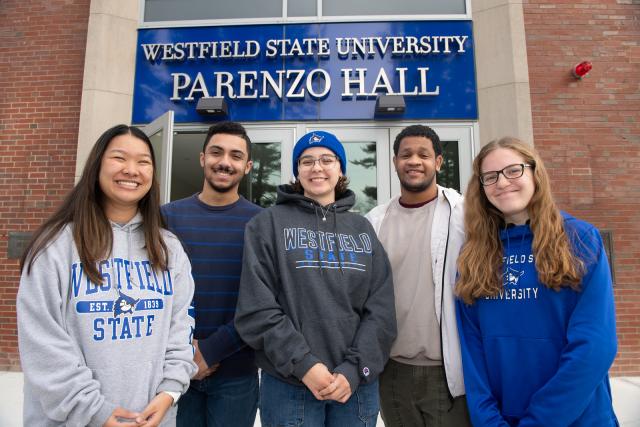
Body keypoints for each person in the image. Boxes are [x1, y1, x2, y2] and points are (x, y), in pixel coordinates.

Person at [17, 124, 196, 427]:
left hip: (151, 419)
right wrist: (94, 410)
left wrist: (169, 392)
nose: (131, 170)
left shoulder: (169, 249)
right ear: (97, 165)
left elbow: (182, 330)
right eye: (119, 158)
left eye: (143, 162)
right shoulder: (55, 245)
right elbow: (42, 342)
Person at [235, 130, 397, 426]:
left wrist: (354, 369)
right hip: (289, 385)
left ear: (340, 168)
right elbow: (256, 309)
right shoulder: (267, 224)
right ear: (297, 171)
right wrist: (305, 365)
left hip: (355, 388)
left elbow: (381, 311)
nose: (317, 167)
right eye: (306, 161)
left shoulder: (362, 229)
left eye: (326, 159)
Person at [455, 136, 618, 426]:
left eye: (513, 170)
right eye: (489, 177)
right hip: (502, 419)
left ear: (535, 173)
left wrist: (539, 421)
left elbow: (595, 345)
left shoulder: (580, 239)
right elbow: (472, 350)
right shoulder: (473, 255)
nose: (502, 183)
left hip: (578, 418)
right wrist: (489, 420)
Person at [366, 125, 471, 427]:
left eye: (423, 154)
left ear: (438, 162)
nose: (414, 161)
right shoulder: (375, 221)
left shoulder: (464, 214)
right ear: (395, 162)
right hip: (392, 369)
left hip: (447, 370)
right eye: (406, 155)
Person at [161, 121, 261, 427]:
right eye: (216, 152)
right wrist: (185, 356)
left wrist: (208, 351)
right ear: (203, 157)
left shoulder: (262, 223)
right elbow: (155, 294)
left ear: (247, 166)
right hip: (174, 371)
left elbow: (265, 303)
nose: (224, 162)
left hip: (236, 374)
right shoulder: (166, 217)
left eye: (235, 156)